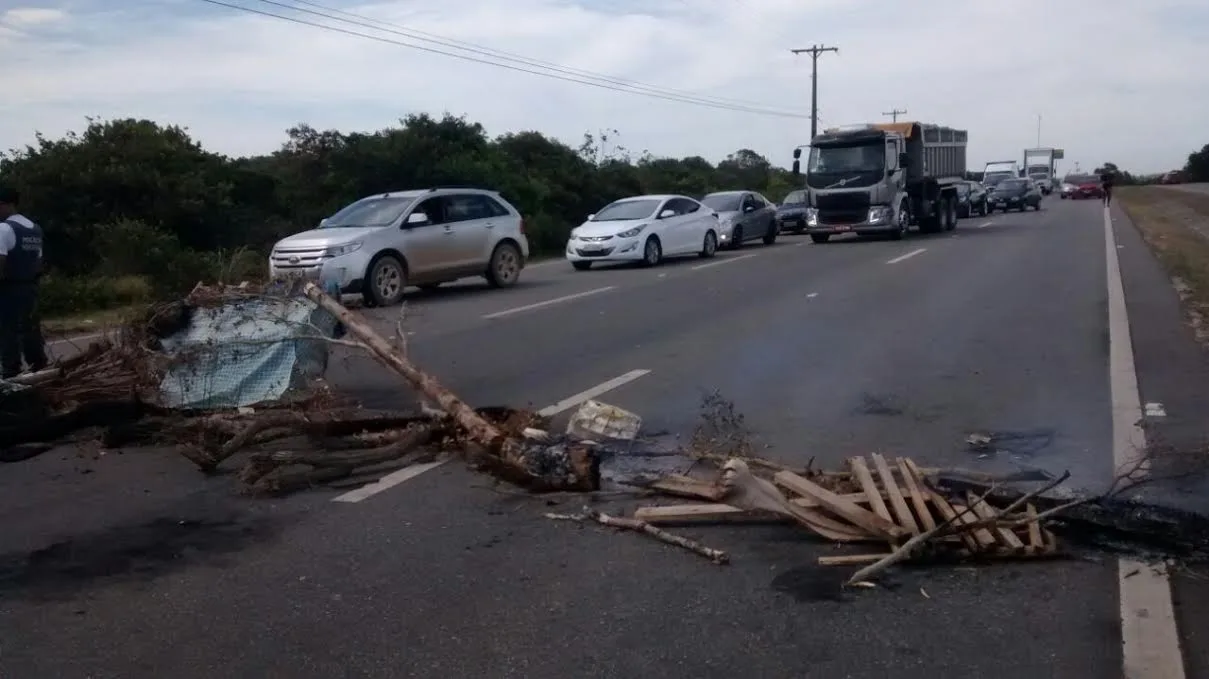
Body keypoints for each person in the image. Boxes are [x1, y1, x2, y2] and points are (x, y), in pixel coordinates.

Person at [0, 185, 49, 379]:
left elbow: (0, 260)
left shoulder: (4, 229)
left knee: (7, 331)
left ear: (6, 205)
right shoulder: (34, 229)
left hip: (8, 288)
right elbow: (38, 262)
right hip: (30, 288)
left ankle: (11, 374)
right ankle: (40, 368)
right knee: (30, 328)